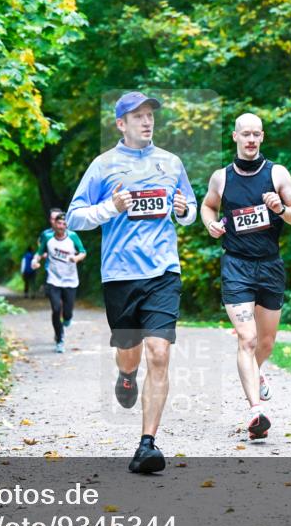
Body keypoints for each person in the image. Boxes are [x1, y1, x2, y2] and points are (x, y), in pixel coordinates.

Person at [66, 91, 197, 474]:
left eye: (150, 115)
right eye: (137, 116)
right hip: (120, 274)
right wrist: (111, 208)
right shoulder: (103, 165)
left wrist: (184, 210)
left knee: (159, 353)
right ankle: (125, 376)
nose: (146, 121)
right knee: (130, 349)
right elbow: (75, 217)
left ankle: (147, 445)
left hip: (163, 271)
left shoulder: (171, 163)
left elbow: (188, 208)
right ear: (120, 124)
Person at [200, 113, 291, 441]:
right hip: (236, 265)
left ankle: (257, 372)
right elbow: (208, 206)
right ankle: (255, 411)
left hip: (270, 265)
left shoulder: (277, 174)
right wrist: (211, 224)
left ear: (262, 137)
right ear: (234, 136)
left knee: (266, 342)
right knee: (246, 338)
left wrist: (280, 210)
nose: (250, 140)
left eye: (256, 135)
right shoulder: (221, 177)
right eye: (245, 134)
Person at [32, 213, 85, 353]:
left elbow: (83, 251)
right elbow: (39, 253)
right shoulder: (48, 238)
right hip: (53, 280)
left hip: (70, 280)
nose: (61, 226)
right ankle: (59, 338)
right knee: (56, 309)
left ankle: (67, 319)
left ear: (66, 225)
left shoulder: (72, 236)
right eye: (59, 223)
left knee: (67, 313)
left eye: (64, 224)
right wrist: (34, 261)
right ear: (54, 224)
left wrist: (77, 258)